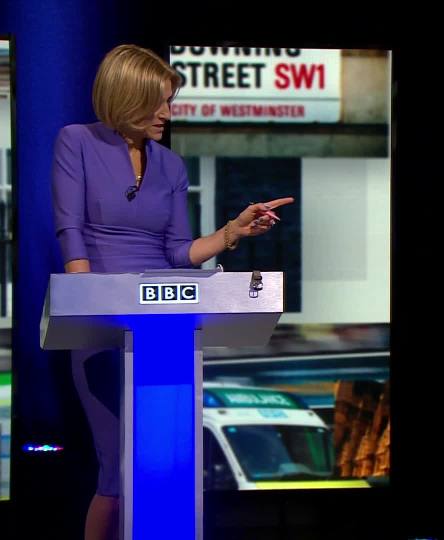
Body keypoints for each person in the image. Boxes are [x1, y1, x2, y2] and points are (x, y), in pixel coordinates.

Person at [51, 44, 293, 540]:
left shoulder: (171, 166)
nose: (167, 113)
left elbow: (179, 252)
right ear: (126, 96)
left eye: (170, 101)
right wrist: (87, 300)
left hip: (163, 325)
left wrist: (233, 231)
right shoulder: (76, 141)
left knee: (162, 460)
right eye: (159, 102)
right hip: (101, 325)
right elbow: (70, 229)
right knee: (116, 468)